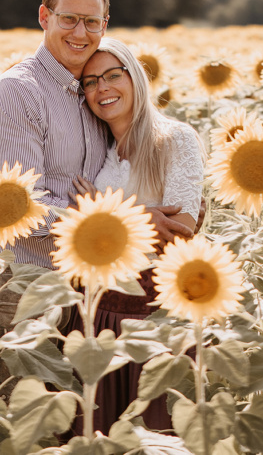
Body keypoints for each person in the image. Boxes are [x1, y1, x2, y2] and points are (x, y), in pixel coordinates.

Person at [0, 0, 194, 391]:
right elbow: (21, 211)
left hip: (85, 293)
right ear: (44, 17)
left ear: (104, 25)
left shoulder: (90, 94)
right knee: (20, 421)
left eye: (92, 22)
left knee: (71, 421)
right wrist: (124, 222)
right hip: (27, 286)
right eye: (69, 19)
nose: (81, 31)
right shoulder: (18, 93)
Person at [72, 38, 206, 434]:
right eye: (91, 81)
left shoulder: (173, 139)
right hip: (102, 310)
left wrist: (107, 210)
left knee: (155, 432)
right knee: (102, 430)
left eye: (114, 75)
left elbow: (179, 231)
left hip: (156, 309)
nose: (102, 89)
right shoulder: (102, 150)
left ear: (136, 77)